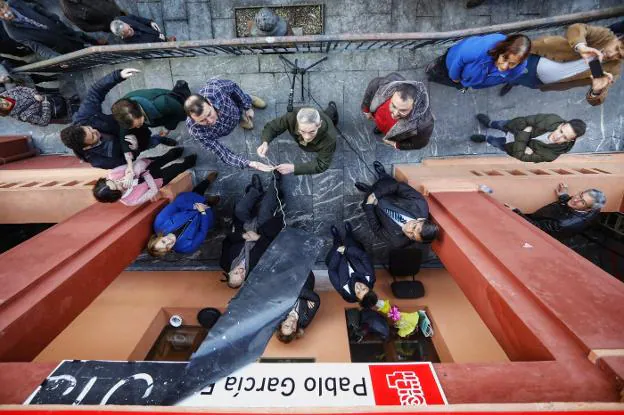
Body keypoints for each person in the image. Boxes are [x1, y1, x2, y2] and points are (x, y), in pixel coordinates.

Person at [60, 68, 176, 169]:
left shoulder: (84, 117)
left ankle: (159, 131)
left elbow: (95, 92)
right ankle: (161, 139)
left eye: (89, 128)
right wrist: (134, 149)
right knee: (152, 142)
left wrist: (117, 76)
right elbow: (123, 161)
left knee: (148, 122)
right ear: (87, 147)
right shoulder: (98, 160)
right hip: (140, 143)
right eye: (93, 136)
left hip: (130, 124)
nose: (95, 130)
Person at [499, 23, 622, 106]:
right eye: (616, 48)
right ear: (618, 38)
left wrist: (596, 91)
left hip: (539, 81)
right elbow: (577, 28)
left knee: (517, 79)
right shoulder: (604, 36)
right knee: (506, 66)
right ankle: (503, 77)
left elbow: (596, 101)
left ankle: (512, 82)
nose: (612, 55)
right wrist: (581, 46)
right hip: (535, 57)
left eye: (620, 56)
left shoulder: (613, 69)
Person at [185, 79, 272, 172]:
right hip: (229, 124)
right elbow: (224, 154)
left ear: (209, 103)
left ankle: (249, 99)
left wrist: (247, 106)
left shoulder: (216, 90)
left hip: (235, 109)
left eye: (209, 114)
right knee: (249, 125)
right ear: (193, 119)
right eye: (202, 120)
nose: (211, 121)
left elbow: (234, 87)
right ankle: (242, 119)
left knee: (243, 100)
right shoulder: (195, 130)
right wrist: (250, 164)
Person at [220, 172, 285, 288]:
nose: (240, 271)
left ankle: (256, 190)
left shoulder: (226, 262)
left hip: (244, 229)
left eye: (236, 272)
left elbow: (227, 240)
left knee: (240, 210)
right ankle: (275, 182)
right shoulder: (255, 270)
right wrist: (257, 238)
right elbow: (272, 250)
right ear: (244, 280)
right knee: (265, 209)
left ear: (229, 272)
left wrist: (242, 236)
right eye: (241, 276)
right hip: (262, 231)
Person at [355, 161, 439, 248]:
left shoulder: (397, 242)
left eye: (413, 236)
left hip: (375, 210)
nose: (408, 230)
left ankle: (367, 190)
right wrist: (375, 194)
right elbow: (399, 187)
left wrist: (369, 205)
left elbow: (377, 229)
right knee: (386, 182)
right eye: (414, 227)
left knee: (366, 200)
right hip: (387, 192)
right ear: (421, 219)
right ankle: (383, 175)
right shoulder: (420, 204)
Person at [92, 147, 196, 206]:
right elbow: (153, 191)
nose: (118, 182)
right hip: (158, 180)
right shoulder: (130, 201)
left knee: (167, 156)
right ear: (116, 196)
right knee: (177, 168)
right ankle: (191, 161)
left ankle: (178, 151)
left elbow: (140, 162)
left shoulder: (113, 174)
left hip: (148, 165)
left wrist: (131, 174)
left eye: (113, 181)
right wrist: (145, 175)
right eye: (117, 187)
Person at [147, 172, 220, 257]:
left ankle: (207, 181)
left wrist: (194, 207)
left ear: (158, 238)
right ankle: (211, 203)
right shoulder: (186, 248)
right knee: (211, 204)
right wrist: (203, 212)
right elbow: (202, 232)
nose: (169, 241)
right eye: (167, 247)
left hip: (189, 205)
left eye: (163, 241)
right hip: (203, 219)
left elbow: (176, 205)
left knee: (198, 192)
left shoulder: (160, 223)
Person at [426, 33, 530, 91]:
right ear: (500, 50)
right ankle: (433, 70)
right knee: (439, 71)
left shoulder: (518, 70)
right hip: (451, 64)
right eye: (504, 58)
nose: (504, 67)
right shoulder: (481, 48)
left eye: (512, 64)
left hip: (466, 81)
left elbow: (501, 80)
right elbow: (459, 59)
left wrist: (470, 85)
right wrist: (455, 78)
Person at [0, 0, 100, 60]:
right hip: (57, 43)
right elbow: (37, 47)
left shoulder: (15, 2)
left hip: (57, 26)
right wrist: (55, 57)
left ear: (5, 3)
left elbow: (36, 8)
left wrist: (53, 17)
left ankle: (96, 42)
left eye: (3, 7)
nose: (5, 12)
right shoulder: (13, 33)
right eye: (1, 13)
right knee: (77, 50)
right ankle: (95, 56)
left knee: (77, 34)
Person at [470, 113, 586, 163]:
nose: (557, 136)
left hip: (510, 146)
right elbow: (524, 121)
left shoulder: (551, 155)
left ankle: (486, 138)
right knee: (499, 124)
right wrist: (525, 147)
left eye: (564, 137)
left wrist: (526, 132)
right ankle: (489, 123)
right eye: (561, 131)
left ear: (570, 140)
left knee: (496, 142)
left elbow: (520, 156)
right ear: (561, 125)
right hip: (512, 127)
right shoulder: (552, 119)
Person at [257, 105, 338, 175]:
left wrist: (294, 168)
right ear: (297, 122)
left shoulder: (329, 139)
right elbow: (272, 127)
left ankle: (332, 109)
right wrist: (265, 142)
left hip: (326, 123)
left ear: (319, 124)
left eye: (312, 131)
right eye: (302, 131)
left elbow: (322, 164)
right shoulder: (291, 116)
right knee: (325, 115)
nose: (307, 137)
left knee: (329, 115)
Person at [361, 73, 433, 150]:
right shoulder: (381, 85)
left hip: (395, 133)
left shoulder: (424, 125)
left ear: (414, 107)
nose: (395, 114)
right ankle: (379, 128)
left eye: (403, 110)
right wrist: (366, 110)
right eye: (393, 106)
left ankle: (385, 132)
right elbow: (370, 93)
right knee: (380, 126)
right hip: (380, 119)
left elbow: (419, 143)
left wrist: (395, 144)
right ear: (392, 94)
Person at [508, 183, 606, 239]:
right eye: (580, 195)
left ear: (588, 209)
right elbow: (572, 203)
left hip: (537, 234)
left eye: (582, 202)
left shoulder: (563, 223)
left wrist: (516, 212)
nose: (576, 199)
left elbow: (535, 228)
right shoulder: (594, 207)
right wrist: (563, 196)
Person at [112, 81, 191, 134]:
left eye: (138, 124)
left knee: (184, 103)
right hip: (163, 107)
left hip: (171, 102)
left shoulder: (162, 103)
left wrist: (169, 127)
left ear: (140, 111)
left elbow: (179, 113)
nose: (139, 127)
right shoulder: (126, 103)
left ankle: (182, 88)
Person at [325, 222, 376, 303]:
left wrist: (338, 253)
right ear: (369, 287)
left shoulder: (344, 290)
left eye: (358, 292)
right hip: (352, 253)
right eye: (364, 288)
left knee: (336, 246)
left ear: (356, 297)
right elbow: (363, 257)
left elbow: (332, 271)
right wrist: (346, 250)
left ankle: (336, 238)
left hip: (338, 262)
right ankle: (349, 233)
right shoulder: (370, 277)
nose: (359, 287)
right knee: (350, 241)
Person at [360, 291, 432, 339]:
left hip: (398, 312)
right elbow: (401, 333)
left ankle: (372, 299)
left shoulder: (416, 316)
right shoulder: (410, 329)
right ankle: (370, 299)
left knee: (385, 306)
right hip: (396, 316)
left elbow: (414, 312)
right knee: (383, 307)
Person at [276, 272, 320, 344]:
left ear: (282, 323)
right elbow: (316, 300)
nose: (291, 323)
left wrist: (304, 297)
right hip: (306, 276)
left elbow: (280, 292)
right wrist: (295, 294)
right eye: (293, 328)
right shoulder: (305, 319)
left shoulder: (279, 313)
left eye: (287, 326)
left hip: (286, 273)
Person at [0, 86, 77, 126]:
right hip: (58, 111)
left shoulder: (5, 94)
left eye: (0, 100)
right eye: (1, 106)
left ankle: (70, 101)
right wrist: (45, 105)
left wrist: (34, 94)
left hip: (54, 100)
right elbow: (43, 122)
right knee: (78, 111)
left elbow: (20, 88)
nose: (4, 102)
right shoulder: (22, 116)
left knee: (63, 100)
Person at [110, 15, 175, 44]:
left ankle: (167, 39)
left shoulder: (121, 19)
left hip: (150, 31)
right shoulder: (132, 46)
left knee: (159, 34)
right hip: (154, 42)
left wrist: (149, 22)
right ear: (123, 36)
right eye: (129, 32)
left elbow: (135, 18)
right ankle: (168, 43)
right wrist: (161, 41)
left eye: (128, 26)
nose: (131, 29)